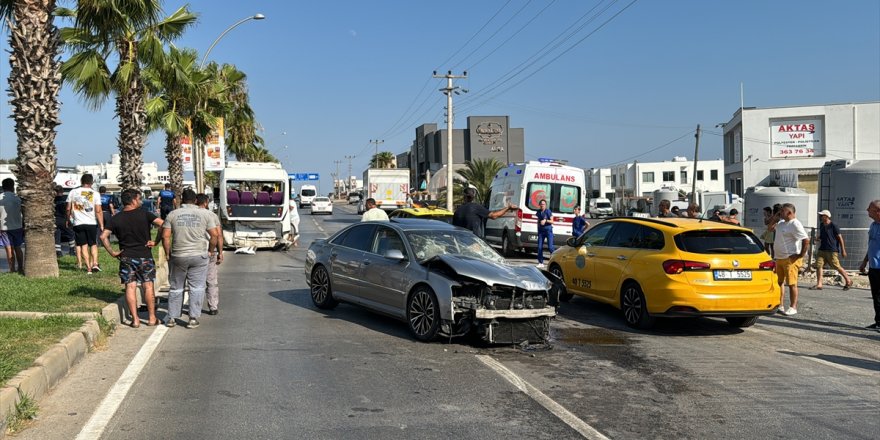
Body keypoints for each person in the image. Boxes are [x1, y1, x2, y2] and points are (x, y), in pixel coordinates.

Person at [100, 189, 164, 327]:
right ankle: (152, 318)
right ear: (134, 200)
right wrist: (156, 241)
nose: (141, 201)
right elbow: (163, 224)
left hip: (126, 257)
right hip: (144, 256)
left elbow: (103, 236)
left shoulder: (116, 218)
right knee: (148, 286)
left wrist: (112, 252)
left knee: (130, 286)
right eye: (139, 198)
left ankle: (135, 320)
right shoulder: (145, 214)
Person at [162, 189, 220, 329]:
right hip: (199, 256)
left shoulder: (173, 214)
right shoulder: (205, 214)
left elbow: (165, 236)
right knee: (197, 287)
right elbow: (214, 235)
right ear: (195, 201)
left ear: (181, 199)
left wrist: (168, 253)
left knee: (176, 287)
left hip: (179, 255)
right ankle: (193, 318)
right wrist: (210, 251)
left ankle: (172, 318)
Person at [773, 203, 809, 316]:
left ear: (789, 212)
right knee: (779, 282)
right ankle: (780, 305)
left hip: (790, 258)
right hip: (779, 257)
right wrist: (775, 216)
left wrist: (800, 255)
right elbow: (769, 228)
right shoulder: (781, 223)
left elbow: (806, 240)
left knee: (792, 283)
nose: (781, 213)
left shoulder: (795, 224)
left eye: (782, 211)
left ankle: (793, 307)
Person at [67, 173, 104, 273]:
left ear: (81, 181)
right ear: (91, 182)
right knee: (93, 244)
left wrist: (68, 220)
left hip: (78, 223)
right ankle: (95, 263)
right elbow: (98, 211)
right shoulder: (95, 193)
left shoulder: (73, 192)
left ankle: (88, 268)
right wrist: (101, 224)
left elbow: (68, 208)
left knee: (83, 245)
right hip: (91, 222)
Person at [812, 210, 852, 291]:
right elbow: (823, 235)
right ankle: (819, 284)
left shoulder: (834, 225)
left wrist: (843, 250)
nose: (820, 217)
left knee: (836, 266)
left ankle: (848, 280)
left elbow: (840, 238)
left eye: (822, 215)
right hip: (822, 249)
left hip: (832, 250)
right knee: (819, 265)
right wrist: (817, 238)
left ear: (826, 216)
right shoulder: (822, 225)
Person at [452, 187, 516, 238]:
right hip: (473, 242)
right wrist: (508, 208)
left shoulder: (457, 211)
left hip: (461, 242)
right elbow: (494, 216)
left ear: (464, 197)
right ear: (473, 197)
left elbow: (454, 229)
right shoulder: (476, 207)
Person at [197, 193, 223, 316]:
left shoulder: (189, 214)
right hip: (209, 250)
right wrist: (220, 252)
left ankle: (194, 308)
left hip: (194, 251)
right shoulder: (211, 215)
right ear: (206, 202)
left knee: (195, 282)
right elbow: (218, 235)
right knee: (211, 280)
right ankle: (213, 306)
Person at [859, 200, 880, 331]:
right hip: (874, 267)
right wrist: (865, 261)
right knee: (876, 296)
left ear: (878, 211)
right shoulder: (873, 225)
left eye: (870, 209)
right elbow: (872, 245)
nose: (867, 210)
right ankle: (878, 322)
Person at [0, 178, 24, 274]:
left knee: (9, 248)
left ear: (3, 186)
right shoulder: (17, 198)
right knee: (18, 247)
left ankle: (12, 269)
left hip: (4, 228)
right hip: (18, 226)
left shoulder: (1, 198)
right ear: (13, 186)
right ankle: (21, 268)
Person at [53, 185, 76, 257]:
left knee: (57, 235)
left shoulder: (52, 200)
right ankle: (72, 251)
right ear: (62, 191)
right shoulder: (65, 199)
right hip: (64, 219)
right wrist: (68, 220)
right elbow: (68, 209)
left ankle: (58, 252)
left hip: (55, 220)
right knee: (71, 234)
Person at [535, 199, 554, 268]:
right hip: (541, 231)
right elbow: (538, 221)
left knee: (550, 247)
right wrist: (538, 230)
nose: (542, 205)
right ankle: (540, 262)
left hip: (548, 231)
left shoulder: (548, 211)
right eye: (541, 204)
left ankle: (554, 259)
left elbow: (552, 221)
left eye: (543, 204)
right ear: (539, 205)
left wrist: (545, 220)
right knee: (539, 247)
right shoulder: (538, 212)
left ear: (545, 205)